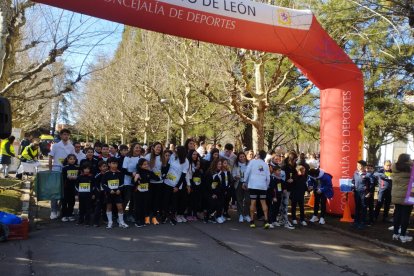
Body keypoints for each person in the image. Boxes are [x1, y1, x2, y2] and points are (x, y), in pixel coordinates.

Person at [48, 129, 75, 220]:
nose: (66, 136)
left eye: (67, 135)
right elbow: (50, 157)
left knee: (64, 192)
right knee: (55, 192)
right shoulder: (55, 146)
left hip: (67, 171)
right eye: (64, 134)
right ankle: (53, 211)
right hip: (56, 170)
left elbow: (72, 158)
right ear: (60, 135)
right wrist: (50, 170)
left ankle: (59, 209)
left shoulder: (71, 146)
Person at [244, 150, 271, 229]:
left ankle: (252, 221)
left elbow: (247, 172)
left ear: (258, 155)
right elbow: (268, 177)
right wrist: (266, 186)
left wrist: (244, 182)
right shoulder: (265, 165)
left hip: (253, 185)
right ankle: (266, 220)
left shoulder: (252, 162)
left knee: (253, 202)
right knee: (263, 202)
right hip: (262, 186)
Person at [391, 153, 413, 243]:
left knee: (397, 214)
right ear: (407, 160)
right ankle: (403, 235)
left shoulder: (395, 168)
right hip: (407, 196)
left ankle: (395, 233)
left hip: (396, 195)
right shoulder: (410, 169)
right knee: (405, 216)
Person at [164, 146, 189, 223]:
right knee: (166, 200)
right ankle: (164, 216)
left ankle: (172, 217)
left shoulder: (186, 161)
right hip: (167, 182)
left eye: (176, 151)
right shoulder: (173, 156)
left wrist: (177, 186)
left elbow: (183, 175)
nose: (174, 152)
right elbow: (168, 166)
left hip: (176, 185)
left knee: (174, 202)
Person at [102, 157, 128, 228]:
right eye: (113, 163)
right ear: (109, 164)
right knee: (109, 207)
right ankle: (110, 222)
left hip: (117, 194)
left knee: (120, 207)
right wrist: (109, 190)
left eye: (116, 163)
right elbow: (103, 184)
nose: (115, 165)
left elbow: (122, 183)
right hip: (109, 194)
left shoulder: (120, 173)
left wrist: (119, 189)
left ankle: (121, 222)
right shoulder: (106, 174)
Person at [133, 158, 161, 227]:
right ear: (140, 166)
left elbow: (157, 178)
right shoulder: (137, 173)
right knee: (138, 206)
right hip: (138, 192)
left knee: (144, 206)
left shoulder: (149, 172)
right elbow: (133, 183)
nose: (146, 166)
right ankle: (137, 221)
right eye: (144, 164)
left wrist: (154, 173)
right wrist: (136, 180)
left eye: (147, 164)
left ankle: (143, 220)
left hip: (146, 192)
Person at [121, 143, 142, 223]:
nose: (138, 149)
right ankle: (121, 214)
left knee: (134, 199)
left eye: (139, 148)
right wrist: (132, 174)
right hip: (127, 182)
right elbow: (123, 170)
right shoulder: (127, 157)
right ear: (132, 148)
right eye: (136, 148)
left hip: (136, 182)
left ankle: (130, 215)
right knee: (127, 198)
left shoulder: (141, 158)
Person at [145, 142, 164, 225]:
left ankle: (154, 217)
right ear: (153, 147)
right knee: (149, 200)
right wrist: (153, 176)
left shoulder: (162, 157)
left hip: (159, 182)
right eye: (157, 147)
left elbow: (164, 168)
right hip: (150, 181)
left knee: (157, 200)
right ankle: (147, 218)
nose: (159, 149)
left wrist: (162, 175)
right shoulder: (148, 156)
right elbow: (145, 168)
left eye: (160, 147)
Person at [232, 152, 251, 223]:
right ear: (238, 158)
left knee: (247, 200)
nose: (242, 158)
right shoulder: (236, 165)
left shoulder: (249, 164)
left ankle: (246, 214)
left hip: (247, 183)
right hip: (239, 183)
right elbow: (233, 174)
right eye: (240, 157)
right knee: (239, 199)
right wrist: (236, 177)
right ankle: (240, 214)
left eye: (243, 156)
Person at [352, 160, 370, 229]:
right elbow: (353, 181)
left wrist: (369, 193)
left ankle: (362, 222)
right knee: (357, 207)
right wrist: (352, 188)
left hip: (364, 194)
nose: (358, 167)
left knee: (363, 207)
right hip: (357, 192)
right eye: (357, 166)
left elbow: (370, 185)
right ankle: (356, 221)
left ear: (364, 167)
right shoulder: (355, 173)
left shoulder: (367, 175)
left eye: (360, 166)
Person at [61, 154, 79, 222]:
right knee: (65, 201)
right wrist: (67, 178)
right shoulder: (65, 168)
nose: (72, 160)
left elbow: (79, 177)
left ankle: (70, 214)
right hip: (66, 187)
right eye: (70, 159)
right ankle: (64, 215)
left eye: (73, 159)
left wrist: (76, 178)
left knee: (72, 201)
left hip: (73, 187)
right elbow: (63, 178)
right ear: (67, 159)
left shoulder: (77, 167)